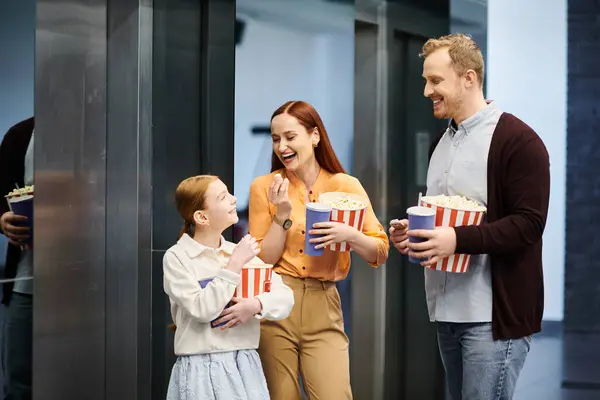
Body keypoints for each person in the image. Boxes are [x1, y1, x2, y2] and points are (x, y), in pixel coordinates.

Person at [389, 34, 550, 400]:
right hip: (447, 312)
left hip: (493, 316)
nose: (427, 91)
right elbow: (444, 216)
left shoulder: (519, 141)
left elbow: (528, 223)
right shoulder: (442, 142)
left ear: (469, 78)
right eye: (426, 81)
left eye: (435, 81)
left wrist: (456, 239)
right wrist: (414, 233)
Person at [248, 100, 389, 400]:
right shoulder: (265, 187)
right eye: (275, 139)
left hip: (324, 305)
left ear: (314, 136)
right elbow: (264, 258)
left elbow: (380, 250)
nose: (281, 146)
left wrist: (350, 235)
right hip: (274, 303)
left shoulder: (345, 185)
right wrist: (282, 215)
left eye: (290, 136)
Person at [163, 175, 294, 400]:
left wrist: (255, 305)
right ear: (202, 217)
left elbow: (285, 296)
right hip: (199, 369)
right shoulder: (177, 257)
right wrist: (234, 264)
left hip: (245, 365)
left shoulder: (240, 251)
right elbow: (202, 309)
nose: (234, 200)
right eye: (223, 197)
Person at [0, 116, 35, 400]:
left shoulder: (103, 132)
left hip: (91, 284)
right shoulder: (21, 134)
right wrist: (3, 219)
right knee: (19, 382)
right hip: (26, 283)